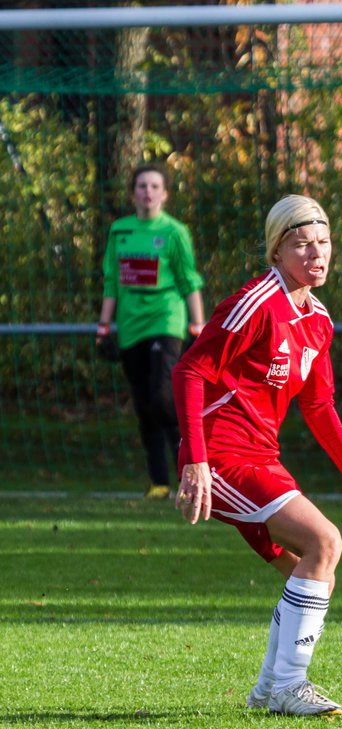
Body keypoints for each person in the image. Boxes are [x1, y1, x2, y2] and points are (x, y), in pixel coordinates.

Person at [171, 194, 342, 717]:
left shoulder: (317, 318)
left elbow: (319, 404)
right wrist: (196, 459)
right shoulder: (257, 302)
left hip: (261, 457)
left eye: (324, 241)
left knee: (311, 569)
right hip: (220, 454)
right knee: (324, 541)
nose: (317, 253)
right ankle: (291, 685)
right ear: (277, 250)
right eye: (302, 243)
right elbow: (189, 371)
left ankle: (269, 689)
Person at [97, 164, 206, 500]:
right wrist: (104, 326)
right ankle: (159, 483)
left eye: (154, 186)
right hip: (131, 326)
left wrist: (198, 324)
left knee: (164, 397)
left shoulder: (174, 232)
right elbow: (112, 281)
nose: (148, 192)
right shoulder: (120, 231)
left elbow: (189, 280)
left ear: (165, 194)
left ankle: (193, 473)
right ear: (133, 193)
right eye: (142, 186)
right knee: (145, 404)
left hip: (166, 320)